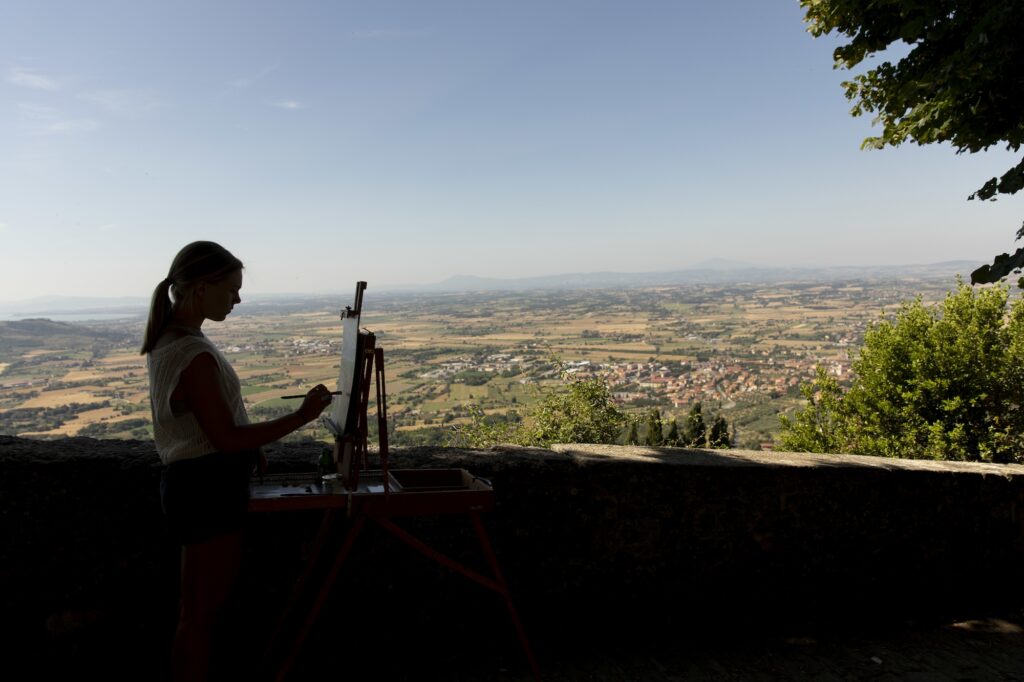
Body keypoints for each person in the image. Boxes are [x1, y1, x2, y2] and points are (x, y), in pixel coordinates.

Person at [140, 241, 332, 682]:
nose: (238, 299)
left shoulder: (176, 339)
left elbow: (208, 424)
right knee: (201, 616)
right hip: (207, 487)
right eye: (232, 289)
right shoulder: (194, 354)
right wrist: (302, 416)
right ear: (202, 287)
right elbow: (224, 439)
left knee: (196, 611)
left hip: (194, 483)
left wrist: (252, 444)